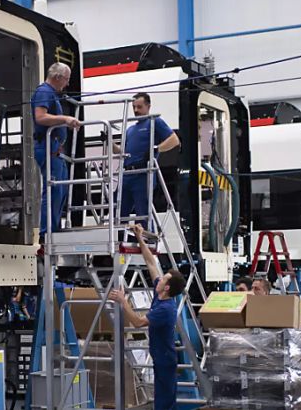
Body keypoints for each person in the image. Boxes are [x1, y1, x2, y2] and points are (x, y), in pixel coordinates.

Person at [109, 224, 186, 410]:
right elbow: (151, 263)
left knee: (164, 402)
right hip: (159, 354)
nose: (160, 279)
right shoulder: (161, 293)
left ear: (167, 287)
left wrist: (122, 301)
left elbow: (137, 323)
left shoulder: (166, 308)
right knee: (162, 398)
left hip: (165, 359)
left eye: (164, 278)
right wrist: (140, 237)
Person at [115, 92, 180, 225]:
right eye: (134, 107)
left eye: (139, 107)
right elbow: (124, 152)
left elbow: (174, 140)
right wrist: (109, 142)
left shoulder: (154, 121)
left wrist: (156, 149)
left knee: (143, 212)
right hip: (127, 174)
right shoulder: (130, 129)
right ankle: (119, 241)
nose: (136, 110)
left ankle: (147, 242)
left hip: (143, 173)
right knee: (119, 212)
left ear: (148, 106)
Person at [32, 62, 81, 239]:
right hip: (48, 147)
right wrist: (66, 119)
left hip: (55, 149)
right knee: (53, 189)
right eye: (66, 79)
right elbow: (40, 117)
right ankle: (47, 233)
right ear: (58, 77)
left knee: (60, 189)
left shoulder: (51, 94)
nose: (67, 84)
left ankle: (54, 228)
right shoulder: (44, 92)